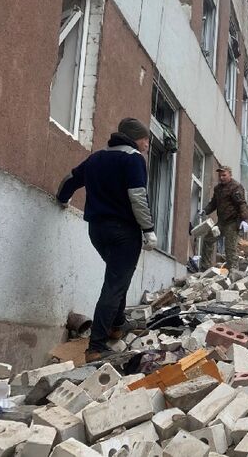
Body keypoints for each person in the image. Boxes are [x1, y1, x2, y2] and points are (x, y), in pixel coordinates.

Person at [56, 118, 158, 362]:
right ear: (136, 138)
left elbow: (70, 179)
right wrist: (148, 228)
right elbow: (137, 197)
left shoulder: (96, 158)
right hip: (124, 232)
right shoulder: (133, 159)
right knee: (114, 285)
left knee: (117, 277)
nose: (147, 145)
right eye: (146, 140)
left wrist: (62, 198)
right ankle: (96, 346)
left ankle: (117, 324)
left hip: (97, 231)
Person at [200, 166, 248, 269]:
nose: (221, 177)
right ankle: (205, 269)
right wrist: (205, 210)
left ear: (230, 175)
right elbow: (214, 203)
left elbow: (241, 203)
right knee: (208, 240)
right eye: (220, 175)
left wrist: (244, 220)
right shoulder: (218, 188)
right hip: (221, 223)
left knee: (230, 248)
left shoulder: (236, 187)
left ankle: (233, 272)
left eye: (224, 175)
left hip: (232, 222)